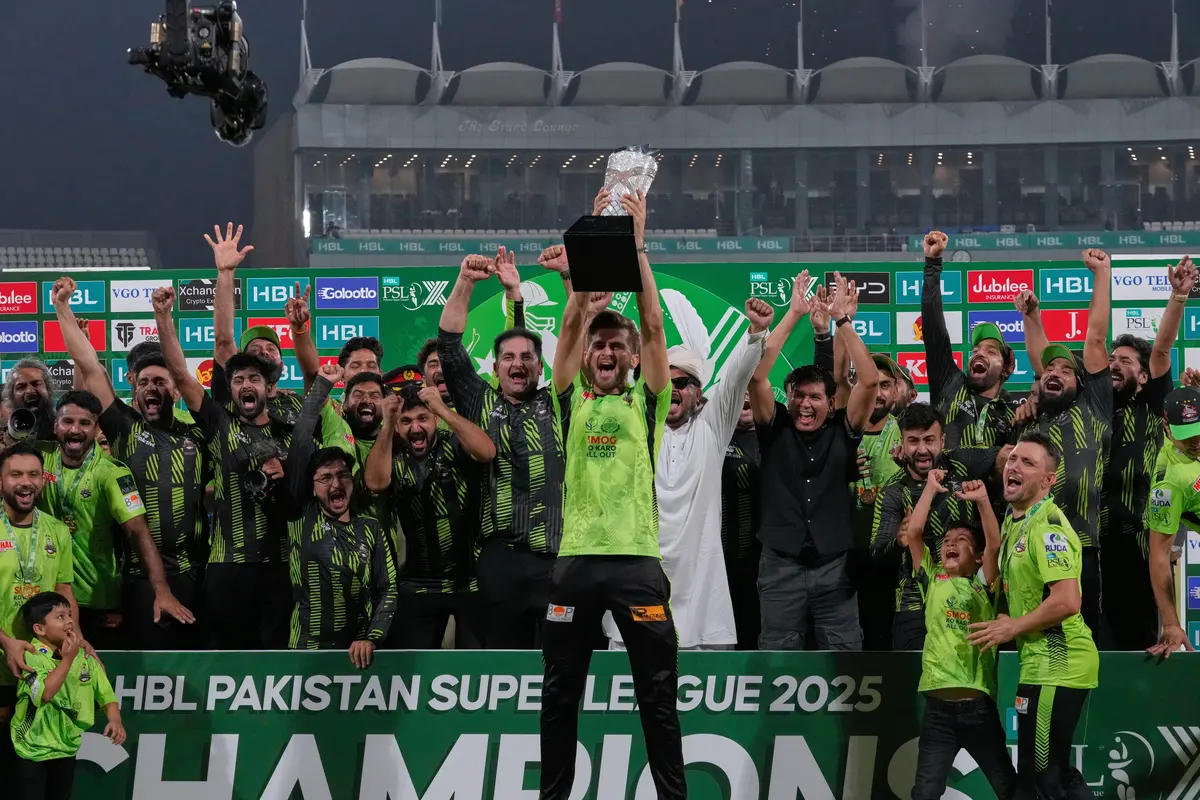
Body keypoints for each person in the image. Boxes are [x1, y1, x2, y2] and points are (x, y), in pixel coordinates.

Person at [540, 190, 684, 799]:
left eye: (614, 345)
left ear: (628, 357)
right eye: (599, 345)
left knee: (657, 694)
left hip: (636, 564)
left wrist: (635, 246)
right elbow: (572, 324)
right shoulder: (568, 398)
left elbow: (652, 323)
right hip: (574, 563)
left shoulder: (646, 401)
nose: (605, 350)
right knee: (559, 693)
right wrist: (587, 271)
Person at [604, 297, 769, 653]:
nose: (675, 388)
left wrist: (756, 332)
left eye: (684, 382)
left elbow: (737, 374)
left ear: (699, 393)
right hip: (640, 579)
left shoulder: (712, 426)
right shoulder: (637, 428)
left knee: (705, 698)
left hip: (702, 588)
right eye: (668, 381)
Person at [51, 277, 203, 650]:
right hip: (137, 579)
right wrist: (61, 307)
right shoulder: (124, 429)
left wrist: (163, 316)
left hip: (195, 572)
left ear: (175, 388)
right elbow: (89, 365)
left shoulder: (200, 432)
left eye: (162, 382)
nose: (153, 388)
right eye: (145, 381)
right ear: (134, 386)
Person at [436, 249, 566, 648]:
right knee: (503, 667)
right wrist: (465, 283)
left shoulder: (560, 403)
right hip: (499, 561)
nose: (518, 363)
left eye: (528, 357)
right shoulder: (480, 402)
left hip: (556, 563)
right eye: (507, 357)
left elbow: (581, 333)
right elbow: (449, 345)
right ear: (494, 369)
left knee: (560, 662)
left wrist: (564, 277)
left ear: (541, 368)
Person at [153, 285, 293, 650]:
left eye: (254, 379)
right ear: (230, 389)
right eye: (238, 379)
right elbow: (181, 375)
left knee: (276, 661)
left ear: (268, 387)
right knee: (227, 661)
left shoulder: (291, 429)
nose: (246, 384)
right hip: (226, 565)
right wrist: (164, 318)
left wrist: (288, 472)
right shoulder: (219, 421)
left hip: (280, 566)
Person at [749, 272, 880, 651]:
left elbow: (868, 383)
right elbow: (757, 378)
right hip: (779, 566)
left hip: (834, 567)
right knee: (778, 661)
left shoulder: (845, 428)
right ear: (788, 398)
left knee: (844, 661)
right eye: (798, 397)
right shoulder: (773, 428)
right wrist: (792, 315)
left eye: (815, 398)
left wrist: (842, 322)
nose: (806, 405)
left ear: (830, 401)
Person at [968, 432, 1099, 799]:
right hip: (1036, 666)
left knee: (1048, 776)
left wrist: (1013, 626)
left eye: (1028, 462)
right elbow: (994, 570)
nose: (1014, 465)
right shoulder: (1016, 520)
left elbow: (1067, 601)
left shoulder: (1049, 527)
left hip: (1060, 666)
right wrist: (982, 505)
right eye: (1013, 459)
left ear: (1048, 481)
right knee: (1034, 776)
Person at [37, 390, 190, 649]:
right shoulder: (39, 458)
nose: (75, 429)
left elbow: (138, 533)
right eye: (67, 422)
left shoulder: (113, 473)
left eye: (84, 423)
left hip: (97, 602)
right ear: (55, 425)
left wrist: (161, 589)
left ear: (97, 428)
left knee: (94, 677)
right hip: (45, 598)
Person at [1012, 248, 1114, 636]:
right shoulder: (1039, 418)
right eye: (1049, 370)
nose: (1054, 372)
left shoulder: (1095, 408)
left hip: (1082, 549)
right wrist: (1032, 317)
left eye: (1065, 370)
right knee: (1034, 640)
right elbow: (1040, 362)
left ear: (1082, 382)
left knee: (1082, 641)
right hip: (1029, 548)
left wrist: (1102, 274)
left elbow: (1096, 337)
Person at [277, 363, 398, 667]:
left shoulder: (370, 529)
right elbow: (301, 443)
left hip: (358, 654)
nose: (335, 483)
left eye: (343, 475)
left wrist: (372, 637)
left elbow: (388, 589)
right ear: (312, 485)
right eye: (325, 477)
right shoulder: (299, 518)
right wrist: (321, 387)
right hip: (305, 651)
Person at [902, 476, 1016, 800]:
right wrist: (930, 489)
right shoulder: (933, 580)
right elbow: (913, 533)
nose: (951, 543)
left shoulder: (983, 584)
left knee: (1008, 787)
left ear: (978, 557)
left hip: (978, 710)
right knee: (925, 792)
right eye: (947, 540)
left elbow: (994, 544)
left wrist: (981, 500)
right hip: (937, 713)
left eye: (963, 540)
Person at [1098, 256, 1191, 649]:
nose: (1113, 364)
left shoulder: (1154, 404)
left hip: (1141, 546)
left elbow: (1162, 349)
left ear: (1141, 376)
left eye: (1124, 360)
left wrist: (1178, 296)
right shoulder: (1095, 408)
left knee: (1137, 646)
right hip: (1094, 549)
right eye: (1110, 358)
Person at [205, 223, 353, 457]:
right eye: (255, 348)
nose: (264, 352)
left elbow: (314, 376)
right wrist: (226, 273)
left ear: (283, 366)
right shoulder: (230, 401)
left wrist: (299, 329)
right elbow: (223, 341)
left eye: (271, 349)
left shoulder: (296, 403)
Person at [364, 383, 495, 649]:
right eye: (406, 421)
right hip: (419, 582)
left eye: (423, 418)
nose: (415, 428)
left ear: (434, 419)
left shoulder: (454, 444)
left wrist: (442, 410)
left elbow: (487, 452)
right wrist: (388, 423)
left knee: (475, 667)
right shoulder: (395, 456)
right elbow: (376, 483)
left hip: (469, 579)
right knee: (416, 668)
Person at [871, 403, 1002, 650]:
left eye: (929, 440)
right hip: (913, 608)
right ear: (902, 443)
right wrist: (899, 542)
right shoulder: (893, 492)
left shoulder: (963, 466)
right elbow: (877, 556)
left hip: (967, 599)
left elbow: (1008, 457)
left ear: (942, 440)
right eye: (913, 441)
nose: (922, 449)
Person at [0, 444, 77, 773]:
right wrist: (7, 643)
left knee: (27, 771)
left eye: (33, 474)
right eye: (15, 474)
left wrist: (77, 640)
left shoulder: (57, 531)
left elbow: (64, 592)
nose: (25, 482)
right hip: (3, 664)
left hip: (40, 670)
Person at [10, 591, 124, 800]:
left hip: (66, 747)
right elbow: (44, 693)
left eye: (70, 615)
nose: (70, 621)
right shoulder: (30, 656)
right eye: (60, 617)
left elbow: (105, 691)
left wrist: (115, 719)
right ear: (39, 629)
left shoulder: (83, 655)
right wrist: (68, 660)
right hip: (32, 747)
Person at [921, 231, 1017, 448]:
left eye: (991, 351)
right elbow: (934, 331)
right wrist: (933, 264)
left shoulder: (1012, 415)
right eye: (975, 350)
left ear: (1006, 369)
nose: (980, 353)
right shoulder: (950, 383)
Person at [1144, 386, 1200, 658]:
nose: (1196, 440)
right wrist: (1170, 622)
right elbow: (1159, 553)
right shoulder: (1169, 483)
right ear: (1166, 425)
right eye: (1186, 436)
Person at [1, 359, 57, 445]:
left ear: (48, 390)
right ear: (11, 396)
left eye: (36, 384)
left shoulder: (63, 431)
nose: (30, 391)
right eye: (21, 387)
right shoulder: (3, 439)